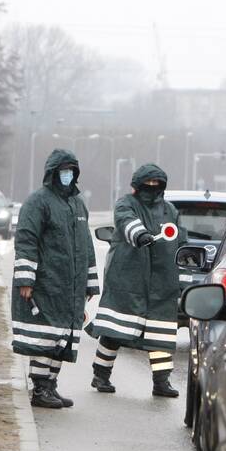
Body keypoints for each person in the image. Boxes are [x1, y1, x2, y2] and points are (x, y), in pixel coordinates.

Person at [12, 149, 99, 408]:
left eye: (71, 170)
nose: (67, 175)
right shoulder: (38, 202)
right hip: (47, 281)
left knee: (63, 336)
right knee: (46, 336)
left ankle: (51, 384)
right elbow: (26, 240)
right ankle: (40, 389)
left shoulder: (78, 204)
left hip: (70, 286)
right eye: (63, 170)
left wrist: (90, 283)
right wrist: (26, 279)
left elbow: (87, 244)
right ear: (52, 173)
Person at [88, 164, 185, 397]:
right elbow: (126, 222)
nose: (152, 188)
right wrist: (140, 235)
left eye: (156, 184)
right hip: (128, 277)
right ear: (137, 185)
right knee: (115, 330)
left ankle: (161, 382)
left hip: (162, 280)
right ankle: (100, 375)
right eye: (147, 183)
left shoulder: (169, 209)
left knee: (160, 333)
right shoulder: (126, 204)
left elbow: (179, 236)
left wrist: (183, 254)